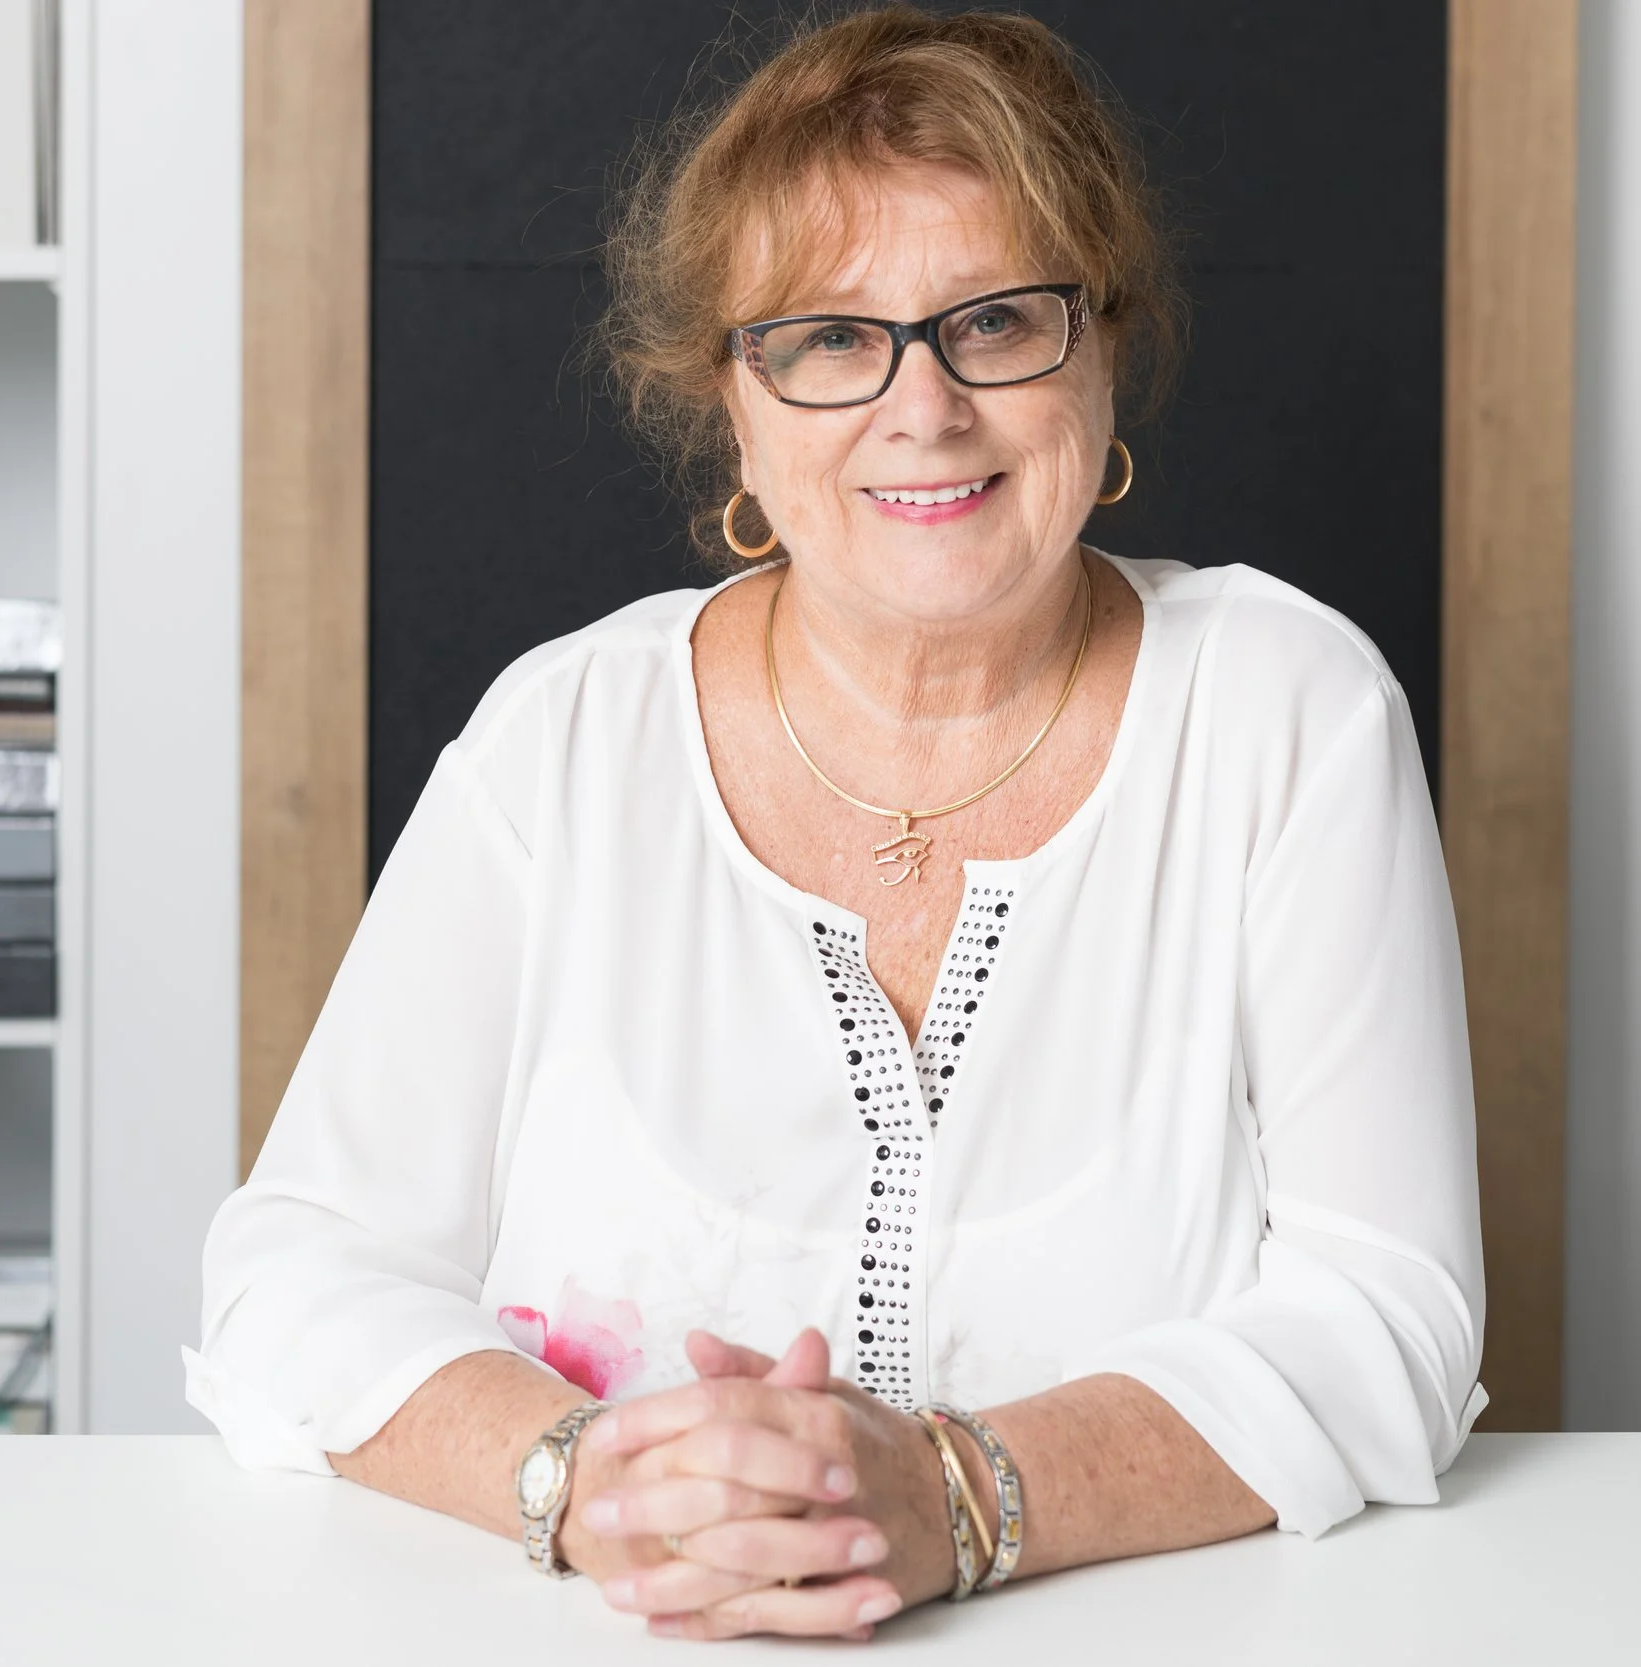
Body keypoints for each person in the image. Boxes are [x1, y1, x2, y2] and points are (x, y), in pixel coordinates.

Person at [188, 4, 1485, 1642]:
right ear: (736, 404)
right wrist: (596, 1484)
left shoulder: (1293, 709)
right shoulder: (562, 735)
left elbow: (1391, 1314)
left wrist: (955, 1496)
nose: (922, 406)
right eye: (828, 338)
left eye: (996, 319)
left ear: (1103, 348)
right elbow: (291, 1277)